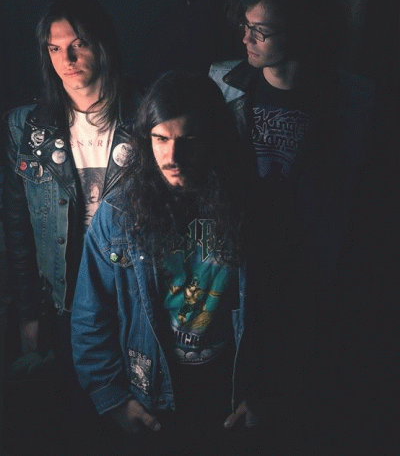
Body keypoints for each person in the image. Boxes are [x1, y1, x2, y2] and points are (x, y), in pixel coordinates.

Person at [209, 0, 377, 452]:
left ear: (299, 30)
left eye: (260, 31)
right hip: (239, 258)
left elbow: (357, 198)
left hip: (311, 268)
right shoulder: (224, 83)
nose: (247, 39)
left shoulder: (352, 99)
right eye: (245, 26)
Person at [71, 71, 265, 456]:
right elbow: (91, 314)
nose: (172, 157)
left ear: (214, 139)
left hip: (229, 391)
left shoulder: (255, 206)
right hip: (151, 394)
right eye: (160, 139)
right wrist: (112, 398)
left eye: (188, 141)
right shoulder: (117, 215)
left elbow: (288, 302)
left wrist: (266, 392)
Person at [2, 0, 141, 452]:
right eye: (55, 48)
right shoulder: (26, 128)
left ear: (102, 44)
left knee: (135, 425)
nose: (67, 59)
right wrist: (28, 314)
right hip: (63, 302)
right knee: (74, 426)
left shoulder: (146, 116)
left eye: (78, 44)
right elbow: (18, 230)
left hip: (133, 297)